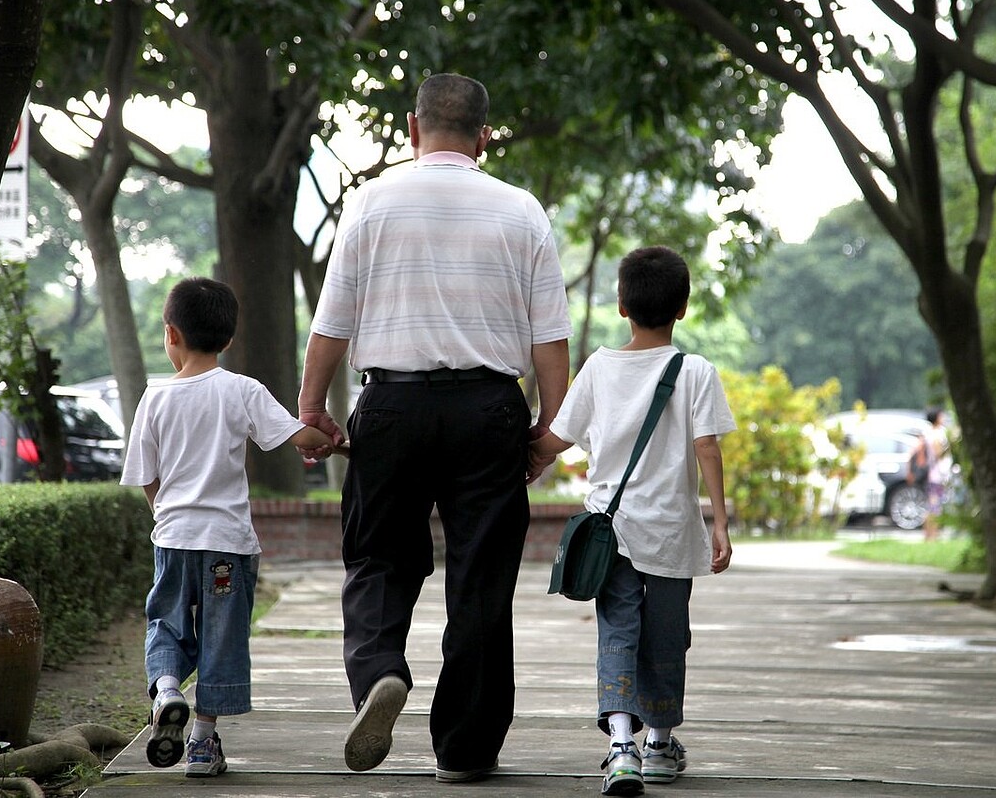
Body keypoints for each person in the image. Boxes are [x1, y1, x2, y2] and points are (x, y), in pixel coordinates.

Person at [295, 73, 571, 783]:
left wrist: (312, 409)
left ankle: (382, 670)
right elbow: (550, 345)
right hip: (489, 409)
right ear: (485, 136)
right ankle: (466, 748)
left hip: (391, 404)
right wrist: (547, 430)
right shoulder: (522, 212)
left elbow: (330, 326)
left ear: (412, 130)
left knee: (378, 557)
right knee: (481, 578)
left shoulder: (370, 205)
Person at [529, 245, 736, 796]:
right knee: (668, 636)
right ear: (684, 307)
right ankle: (661, 745)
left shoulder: (599, 367)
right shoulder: (695, 371)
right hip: (671, 532)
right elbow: (708, 448)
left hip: (611, 532)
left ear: (621, 304)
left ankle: (621, 746)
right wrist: (718, 522)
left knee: (617, 631)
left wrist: (523, 457)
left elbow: (555, 439)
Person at [120, 277, 337, 778]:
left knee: (167, 622)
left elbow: (146, 478)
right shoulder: (242, 390)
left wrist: (166, 514)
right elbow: (295, 434)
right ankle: (200, 743)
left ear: (170, 334)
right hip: (228, 546)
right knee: (222, 635)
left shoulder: (153, 398)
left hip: (173, 538)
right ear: (230, 338)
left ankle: (168, 689)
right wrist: (333, 440)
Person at [908, 407, 952, 541]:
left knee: (932, 504)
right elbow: (938, 452)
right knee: (934, 506)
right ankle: (932, 535)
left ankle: (929, 534)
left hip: (933, 473)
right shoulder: (937, 433)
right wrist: (950, 446)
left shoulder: (927, 433)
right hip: (938, 474)